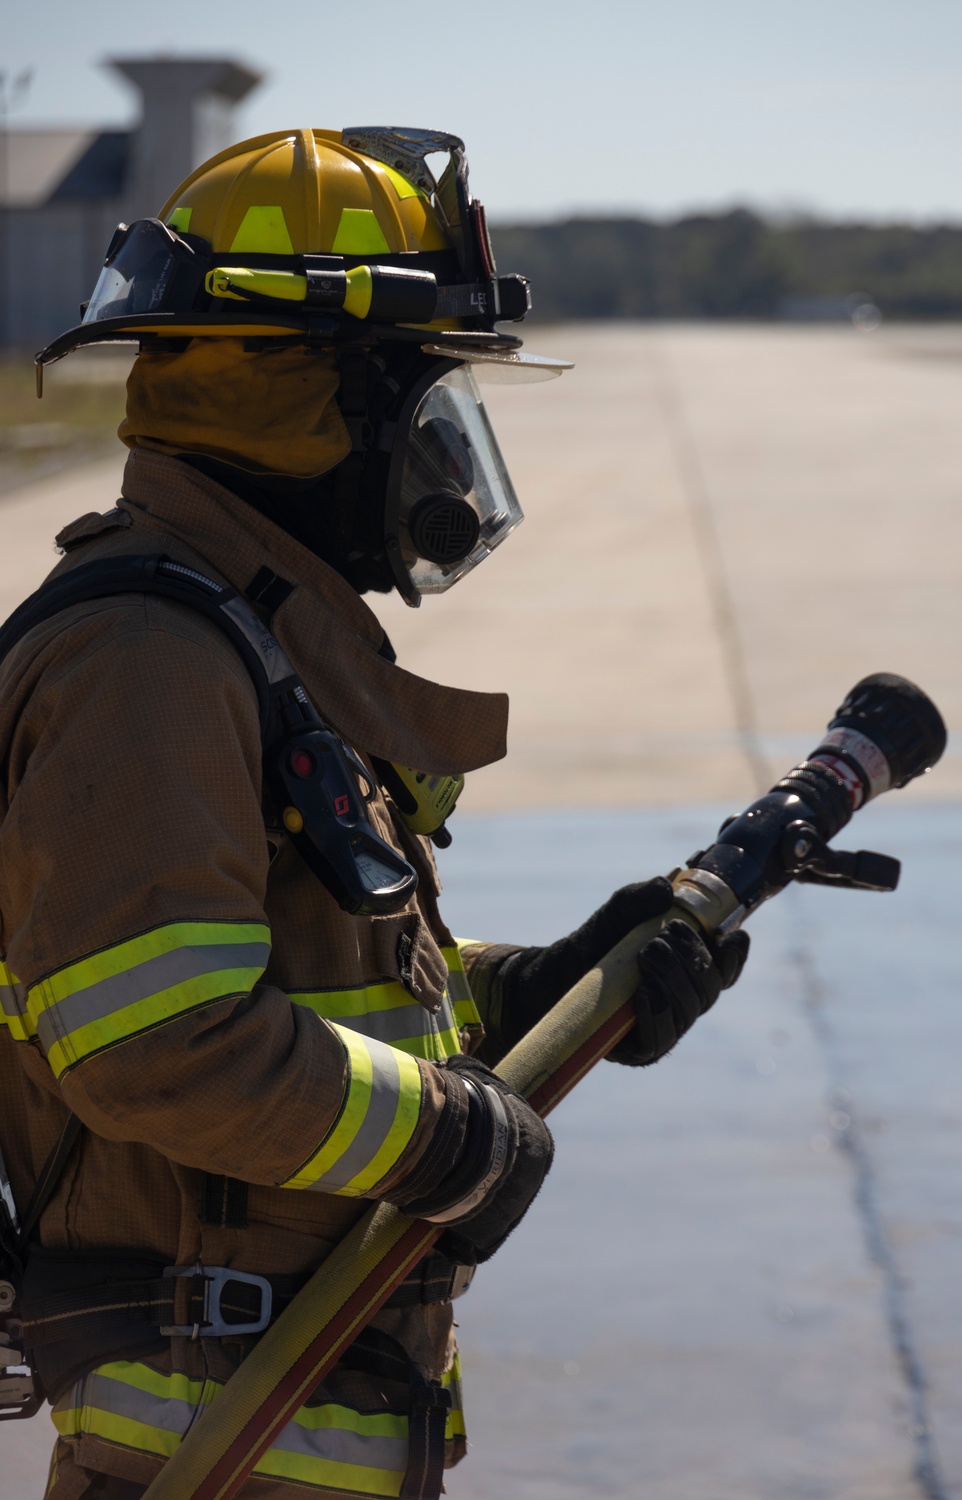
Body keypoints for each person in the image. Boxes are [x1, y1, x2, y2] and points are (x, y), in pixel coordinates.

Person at [0, 127, 749, 1499]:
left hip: (295, 1429)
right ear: (308, 396)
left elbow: (306, 991)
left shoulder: (248, 636)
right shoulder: (147, 662)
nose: (445, 465)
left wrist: (534, 991)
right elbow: (157, 1042)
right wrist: (450, 1138)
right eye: (420, 401)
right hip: (203, 1457)